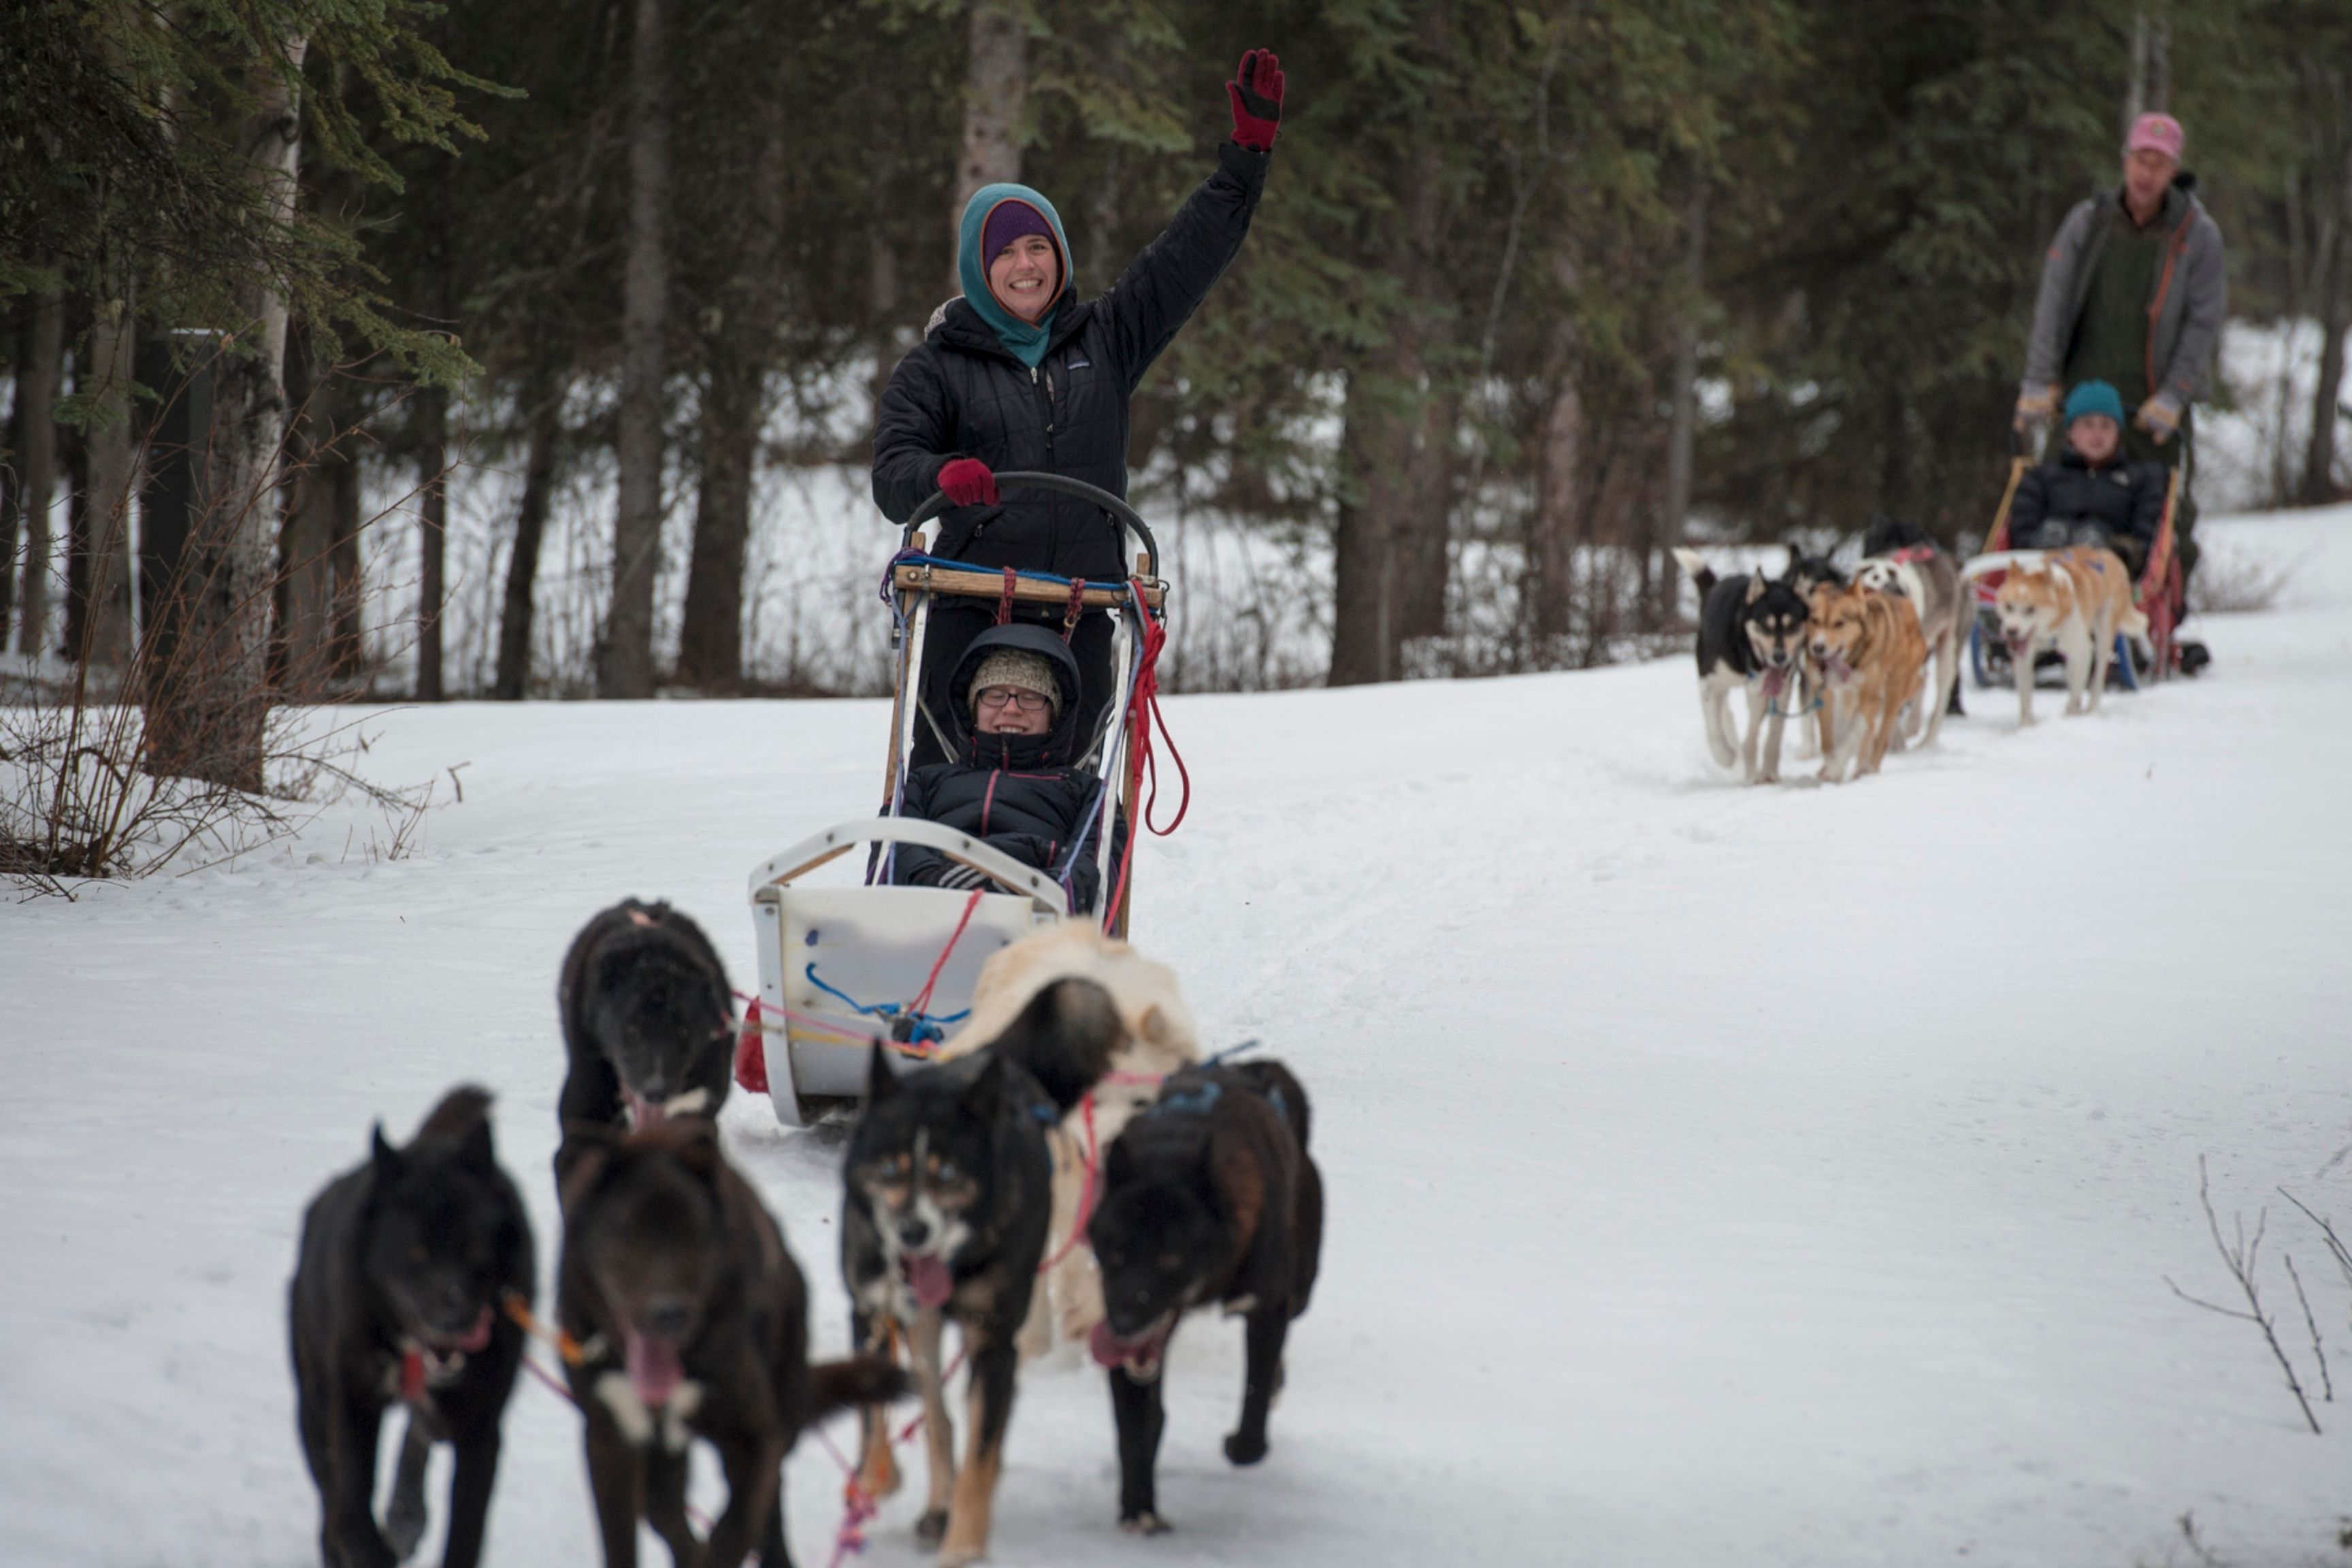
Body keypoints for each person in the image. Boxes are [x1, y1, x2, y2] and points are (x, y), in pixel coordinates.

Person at [872, 48, 1286, 767]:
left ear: (1060, 256)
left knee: (1071, 790)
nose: (1026, 265)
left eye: (1039, 247)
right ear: (978, 266)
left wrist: (1244, 162)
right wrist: (941, 477)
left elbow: (1185, 258)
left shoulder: (1108, 336)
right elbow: (892, 477)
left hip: (1081, 607)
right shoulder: (935, 366)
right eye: (1007, 253)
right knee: (948, 776)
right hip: (972, 603)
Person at [2014, 112, 2225, 592]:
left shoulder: (2196, 235)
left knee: (2161, 513)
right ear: (2125, 161)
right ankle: (2050, 607)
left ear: (2173, 171)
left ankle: (2154, 605)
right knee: (2058, 500)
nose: (2147, 173)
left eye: (2159, 164)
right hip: (2081, 392)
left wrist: (2175, 395)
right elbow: (2054, 301)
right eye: (2140, 161)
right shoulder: (2088, 222)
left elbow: (2204, 322)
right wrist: (2038, 381)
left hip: (2152, 404)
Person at [889, 623, 1125, 915]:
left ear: (1054, 715)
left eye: (1031, 697)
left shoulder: (1086, 791)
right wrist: (936, 881)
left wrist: (1036, 892)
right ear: (973, 708)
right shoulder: (925, 782)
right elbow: (895, 847)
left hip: (1039, 922)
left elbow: (1090, 862)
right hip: (929, 915)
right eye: (995, 694)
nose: (1011, 709)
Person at [2008, 380, 2166, 577]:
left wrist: (2113, 549)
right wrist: (2039, 541)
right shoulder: (2040, 477)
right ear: (2070, 432)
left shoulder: (2142, 479)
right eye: (2087, 425)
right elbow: (2020, 532)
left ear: (2118, 433)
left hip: (2108, 579)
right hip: (2043, 575)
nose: (2097, 434)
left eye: (2106, 426)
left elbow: (2146, 541)